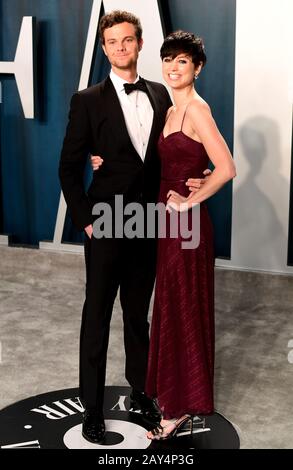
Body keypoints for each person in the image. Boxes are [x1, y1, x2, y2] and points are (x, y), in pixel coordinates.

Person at [59, 11, 209, 445]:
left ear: (140, 44)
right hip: (105, 222)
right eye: (113, 42)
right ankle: (91, 408)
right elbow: (68, 167)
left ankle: (142, 392)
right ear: (104, 48)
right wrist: (86, 218)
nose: (121, 47)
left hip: (149, 224)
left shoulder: (163, 93)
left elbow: (173, 153)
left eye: (128, 40)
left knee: (139, 316)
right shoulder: (86, 100)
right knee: (98, 315)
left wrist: (197, 177)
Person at [140, 30, 236, 440]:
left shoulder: (197, 109)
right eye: (168, 59)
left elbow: (227, 167)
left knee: (182, 306)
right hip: (167, 221)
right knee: (170, 303)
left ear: (197, 68)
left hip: (188, 226)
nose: (173, 67)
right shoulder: (169, 111)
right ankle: (174, 395)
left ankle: (179, 407)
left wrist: (192, 201)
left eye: (182, 61)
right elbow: (191, 164)